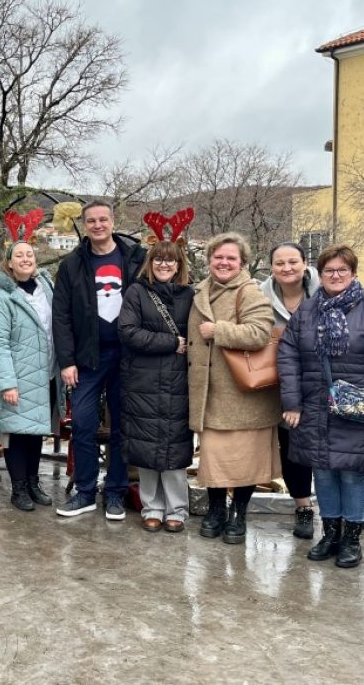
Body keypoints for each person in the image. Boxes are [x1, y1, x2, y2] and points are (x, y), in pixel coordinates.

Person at [278, 245, 364, 568]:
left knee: (351, 473)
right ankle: (330, 532)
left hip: (357, 409)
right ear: (319, 276)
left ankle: (351, 536)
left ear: (353, 273)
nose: (335, 276)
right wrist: (291, 402)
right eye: (328, 271)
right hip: (314, 406)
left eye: (342, 270)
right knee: (322, 471)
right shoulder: (306, 312)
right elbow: (288, 357)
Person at [52, 201, 147, 520]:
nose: (97, 225)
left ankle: (116, 491)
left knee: (123, 425)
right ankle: (85, 491)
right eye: (91, 220)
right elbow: (61, 316)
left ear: (112, 221)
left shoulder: (134, 257)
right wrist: (67, 361)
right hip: (87, 357)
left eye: (103, 219)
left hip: (127, 354)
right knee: (82, 422)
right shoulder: (72, 264)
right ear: (85, 224)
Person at [187, 232, 282, 544]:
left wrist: (219, 331)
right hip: (211, 394)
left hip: (245, 396)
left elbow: (259, 333)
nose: (224, 262)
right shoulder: (200, 291)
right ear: (209, 260)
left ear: (242, 262)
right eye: (218, 257)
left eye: (231, 258)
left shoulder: (250, 292)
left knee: (246, 462)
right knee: (215, 460)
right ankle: (216, 511)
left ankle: (238, 514)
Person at [118, 240, 195, 533]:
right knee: (146, 447)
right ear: (150, 263)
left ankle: (177, 509)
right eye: (159, 260)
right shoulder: (137, 292)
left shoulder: (190, 295)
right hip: (142, 381)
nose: (164, 265)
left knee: (175, 447)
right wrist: (172, 342)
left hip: (178, 380)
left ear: (179, 265)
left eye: (171, 260)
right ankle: (151, 507)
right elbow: (127, 331)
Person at [0, 240, 59, 511]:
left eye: (29, 254)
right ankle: (19, 489)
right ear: (9, 262)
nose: (26, 259)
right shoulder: (0, 298)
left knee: (36, 432)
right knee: (17, 433)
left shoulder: (46, 289)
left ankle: (32, 482)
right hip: (18, 377)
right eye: (19, 255)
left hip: (46, 375)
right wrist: (7, 383)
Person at [259, 242, 322, 539]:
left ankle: (346, 508)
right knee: (292, 446)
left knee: (331, 445)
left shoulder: (327, 289)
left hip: (323, 380)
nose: (287, 268)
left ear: (305, 263)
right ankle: (303, 506)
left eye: (293, 262)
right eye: (280, 263)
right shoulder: (259, 296)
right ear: (271, 267)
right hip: (280, 381)